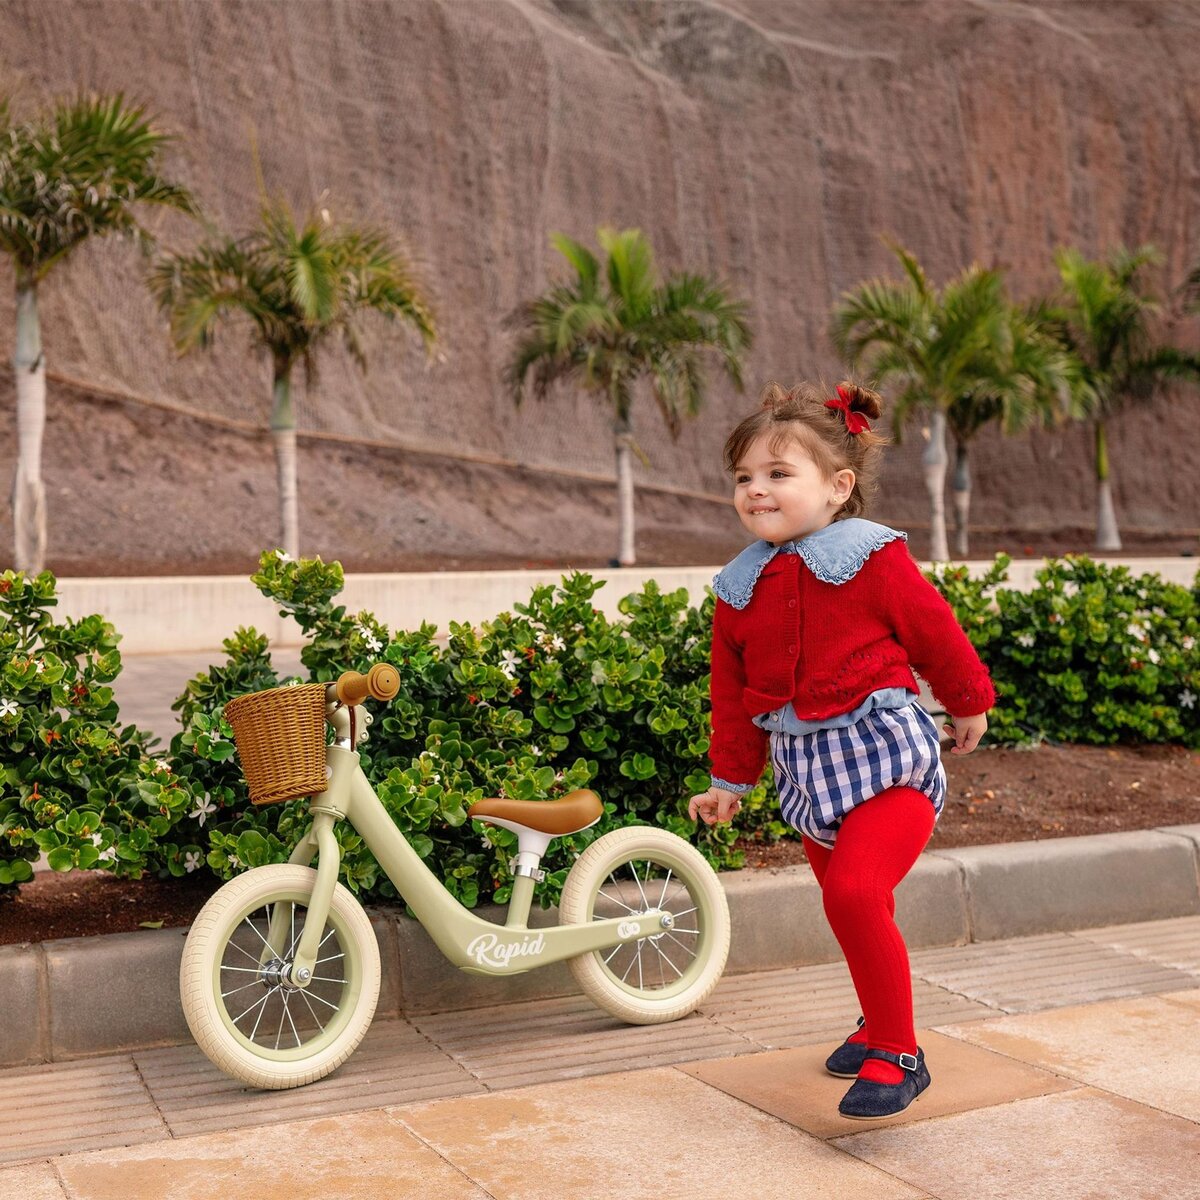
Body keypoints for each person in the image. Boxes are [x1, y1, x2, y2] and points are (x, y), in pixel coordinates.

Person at [689, 380, 995, 1120]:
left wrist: (968, 697)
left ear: (837, 487)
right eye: (744, 477)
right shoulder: (738, 587)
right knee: (852, 904)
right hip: (809, 773)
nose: (756, 490)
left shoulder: (871, 556)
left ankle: (899, 1052)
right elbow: (732, 696)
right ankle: (875, 1023)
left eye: (778, 474)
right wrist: (730, 778)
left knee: (856, 891)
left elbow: (933, 629)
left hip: (888, 758)